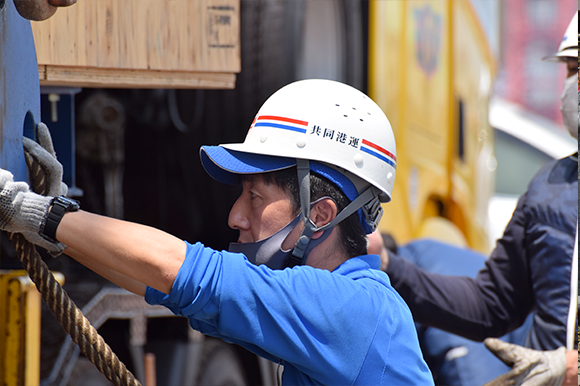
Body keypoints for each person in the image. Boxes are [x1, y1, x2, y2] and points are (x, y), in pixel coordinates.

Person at [0, 79, 433, 385]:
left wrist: (36, 212)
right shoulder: (349, 304)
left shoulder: (346, 307)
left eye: (255, 198)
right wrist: (60, 226)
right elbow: (161, 284)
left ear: (320, 214)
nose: (235, 216)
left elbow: (186, 273)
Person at [373, 12, 579, 386]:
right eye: (569, 69)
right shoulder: (549, 187)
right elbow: (490, 305)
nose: (571, 84)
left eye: (579, 68)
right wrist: (389, 264)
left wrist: (571, 368)